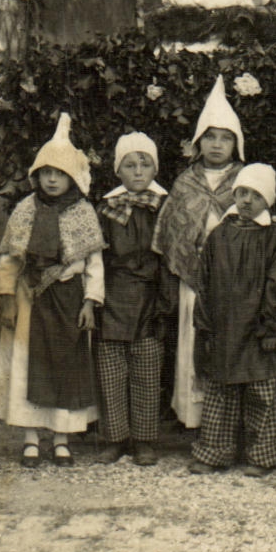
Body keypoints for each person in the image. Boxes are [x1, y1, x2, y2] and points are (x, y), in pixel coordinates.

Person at [0, 114, 104, 468]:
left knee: (65, 367)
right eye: (46, 173)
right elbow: (10, 260)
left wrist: (90, 302)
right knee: (29, 364)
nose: (52, 179)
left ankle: (61, 438)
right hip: (31, 299)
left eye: (60, 173)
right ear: (36, 175)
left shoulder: (83, 212)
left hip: (69, 300)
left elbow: (94, 263)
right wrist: (7, 300)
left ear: (72, 177)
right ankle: (30, 438)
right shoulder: (26, 210)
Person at [152, 75, 246, 430]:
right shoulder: (185, 182)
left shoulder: (244, 181)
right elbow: (172, 232)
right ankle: (193, 417)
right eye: (210, 137)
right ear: (198, 142)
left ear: (236, 144)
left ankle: (225, 419)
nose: (217, 145)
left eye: (225, 138)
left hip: (232, 278)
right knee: (191, 338)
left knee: (226, 340)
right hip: (193, 279)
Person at [188, 163, 276, 477]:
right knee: (221, 393)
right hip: (224, 326)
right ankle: (214, 452)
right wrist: (205, 325)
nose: (247, 200)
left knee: (262, 392)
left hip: (258, 327)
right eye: (242, 193)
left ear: (267, 201)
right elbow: (203, 281)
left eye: (256, 195)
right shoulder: (219, 234)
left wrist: (271, 327)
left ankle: (262, 456)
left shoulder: (273, 236)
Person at [94, 133, 175, 466]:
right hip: (114, 295)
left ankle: (144, 439)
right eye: (130, 165)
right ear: (118, 170)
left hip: (150, 297)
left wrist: (165, 302)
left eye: (145, 164)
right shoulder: (106, 209)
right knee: (111, 371)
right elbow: (97, 257)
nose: (138, 171)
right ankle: (115, 438)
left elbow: (170, 257)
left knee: (147, 371)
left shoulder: (165, 207)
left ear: (155, 168)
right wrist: (97, 297)